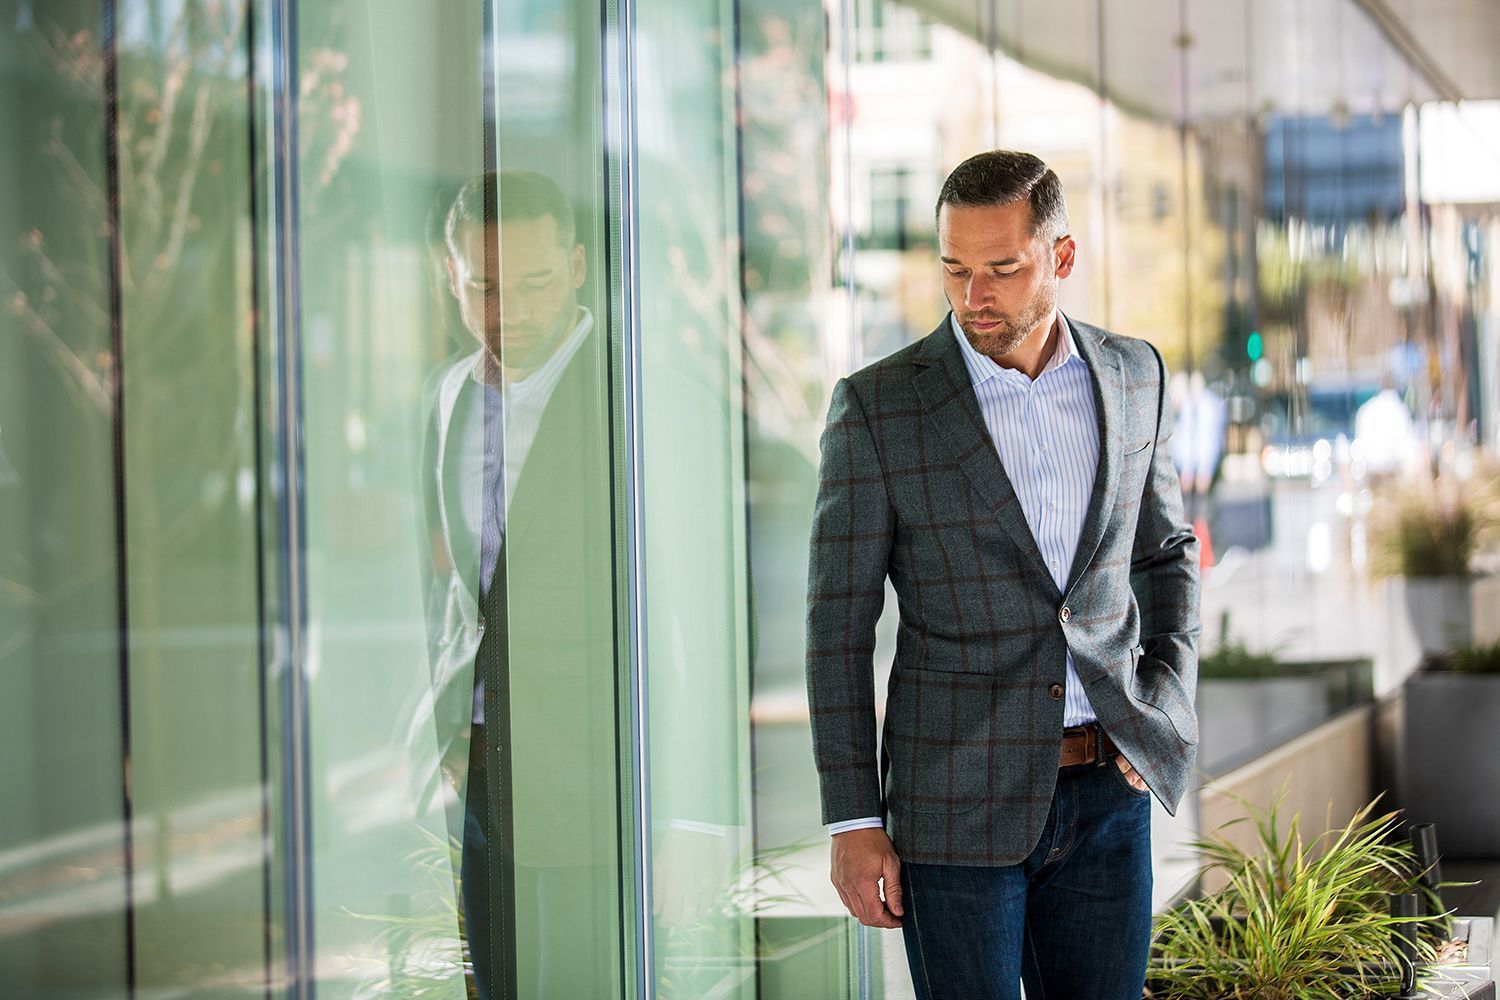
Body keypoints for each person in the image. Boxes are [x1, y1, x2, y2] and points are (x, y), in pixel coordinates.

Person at [805, 150, 1201, 1000]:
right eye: (954, 269)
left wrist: (1167, 700)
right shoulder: (880, 407)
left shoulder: (1133, 374)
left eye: (1002, 270)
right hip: (951, 808)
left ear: (1062, 256)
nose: (973, 296)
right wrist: (854, 818)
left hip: (1109, 792)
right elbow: (837, 629)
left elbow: (1165, 554)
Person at [415, 169, 618, 998]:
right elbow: (456, 586)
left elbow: (694, 615)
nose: (511, 310)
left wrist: (694, 813)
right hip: (479, 768)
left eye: (535, 282)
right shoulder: (447, 396)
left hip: (593, 773)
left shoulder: (629, 392)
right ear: (451, 276)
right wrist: (448, 723)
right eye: (485, 287)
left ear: (576, 266)